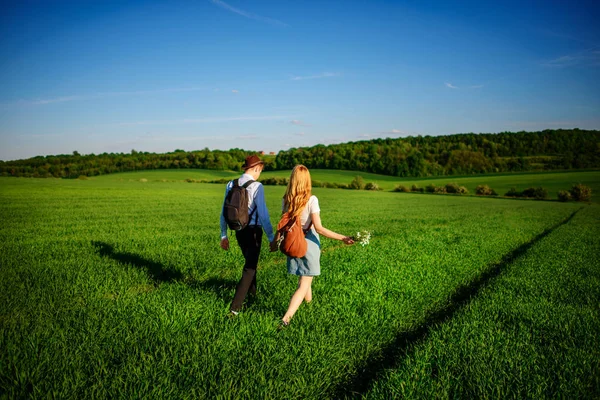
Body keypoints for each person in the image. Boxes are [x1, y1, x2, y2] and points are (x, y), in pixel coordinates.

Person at [278, 165, 354, 326]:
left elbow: (283, 224)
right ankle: (286, 319)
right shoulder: (312, 200)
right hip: (309, 244)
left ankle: (309, 307)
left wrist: (275, 241)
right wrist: (343, 238)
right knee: (304, 283)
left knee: (306, 276)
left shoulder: (286, 199)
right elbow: (318, 228)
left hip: (293, 243)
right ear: (307, 181)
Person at [220, 155, 277, 315]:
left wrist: (223, 235)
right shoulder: (257, 186)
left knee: (251, 264)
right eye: (260, 171)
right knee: (249, 268)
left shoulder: (231, 184)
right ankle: (234, 309)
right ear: (256, 169)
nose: (260, 174)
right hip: (253, 232)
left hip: (238, 230)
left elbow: (223, 211)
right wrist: (272, 237)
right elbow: (263, 214)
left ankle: (252, 296)